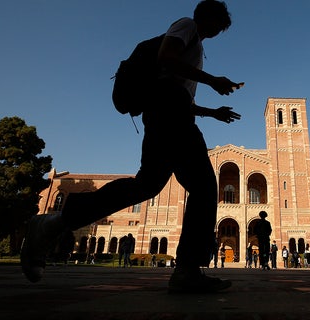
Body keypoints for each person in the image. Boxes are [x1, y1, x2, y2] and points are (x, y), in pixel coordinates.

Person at [20, 0, 241, 294]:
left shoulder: (194, 44)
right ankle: (187, 269)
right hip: (169, 117)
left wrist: (212, 112)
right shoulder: (186, 26)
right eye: (218, 25)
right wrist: (212, 80)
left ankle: (52, 224)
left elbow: (179, 94)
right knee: (203, 186)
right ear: (209, 18)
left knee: (145, 186)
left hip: (170, 115)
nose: (218, 31)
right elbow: (165, 59)